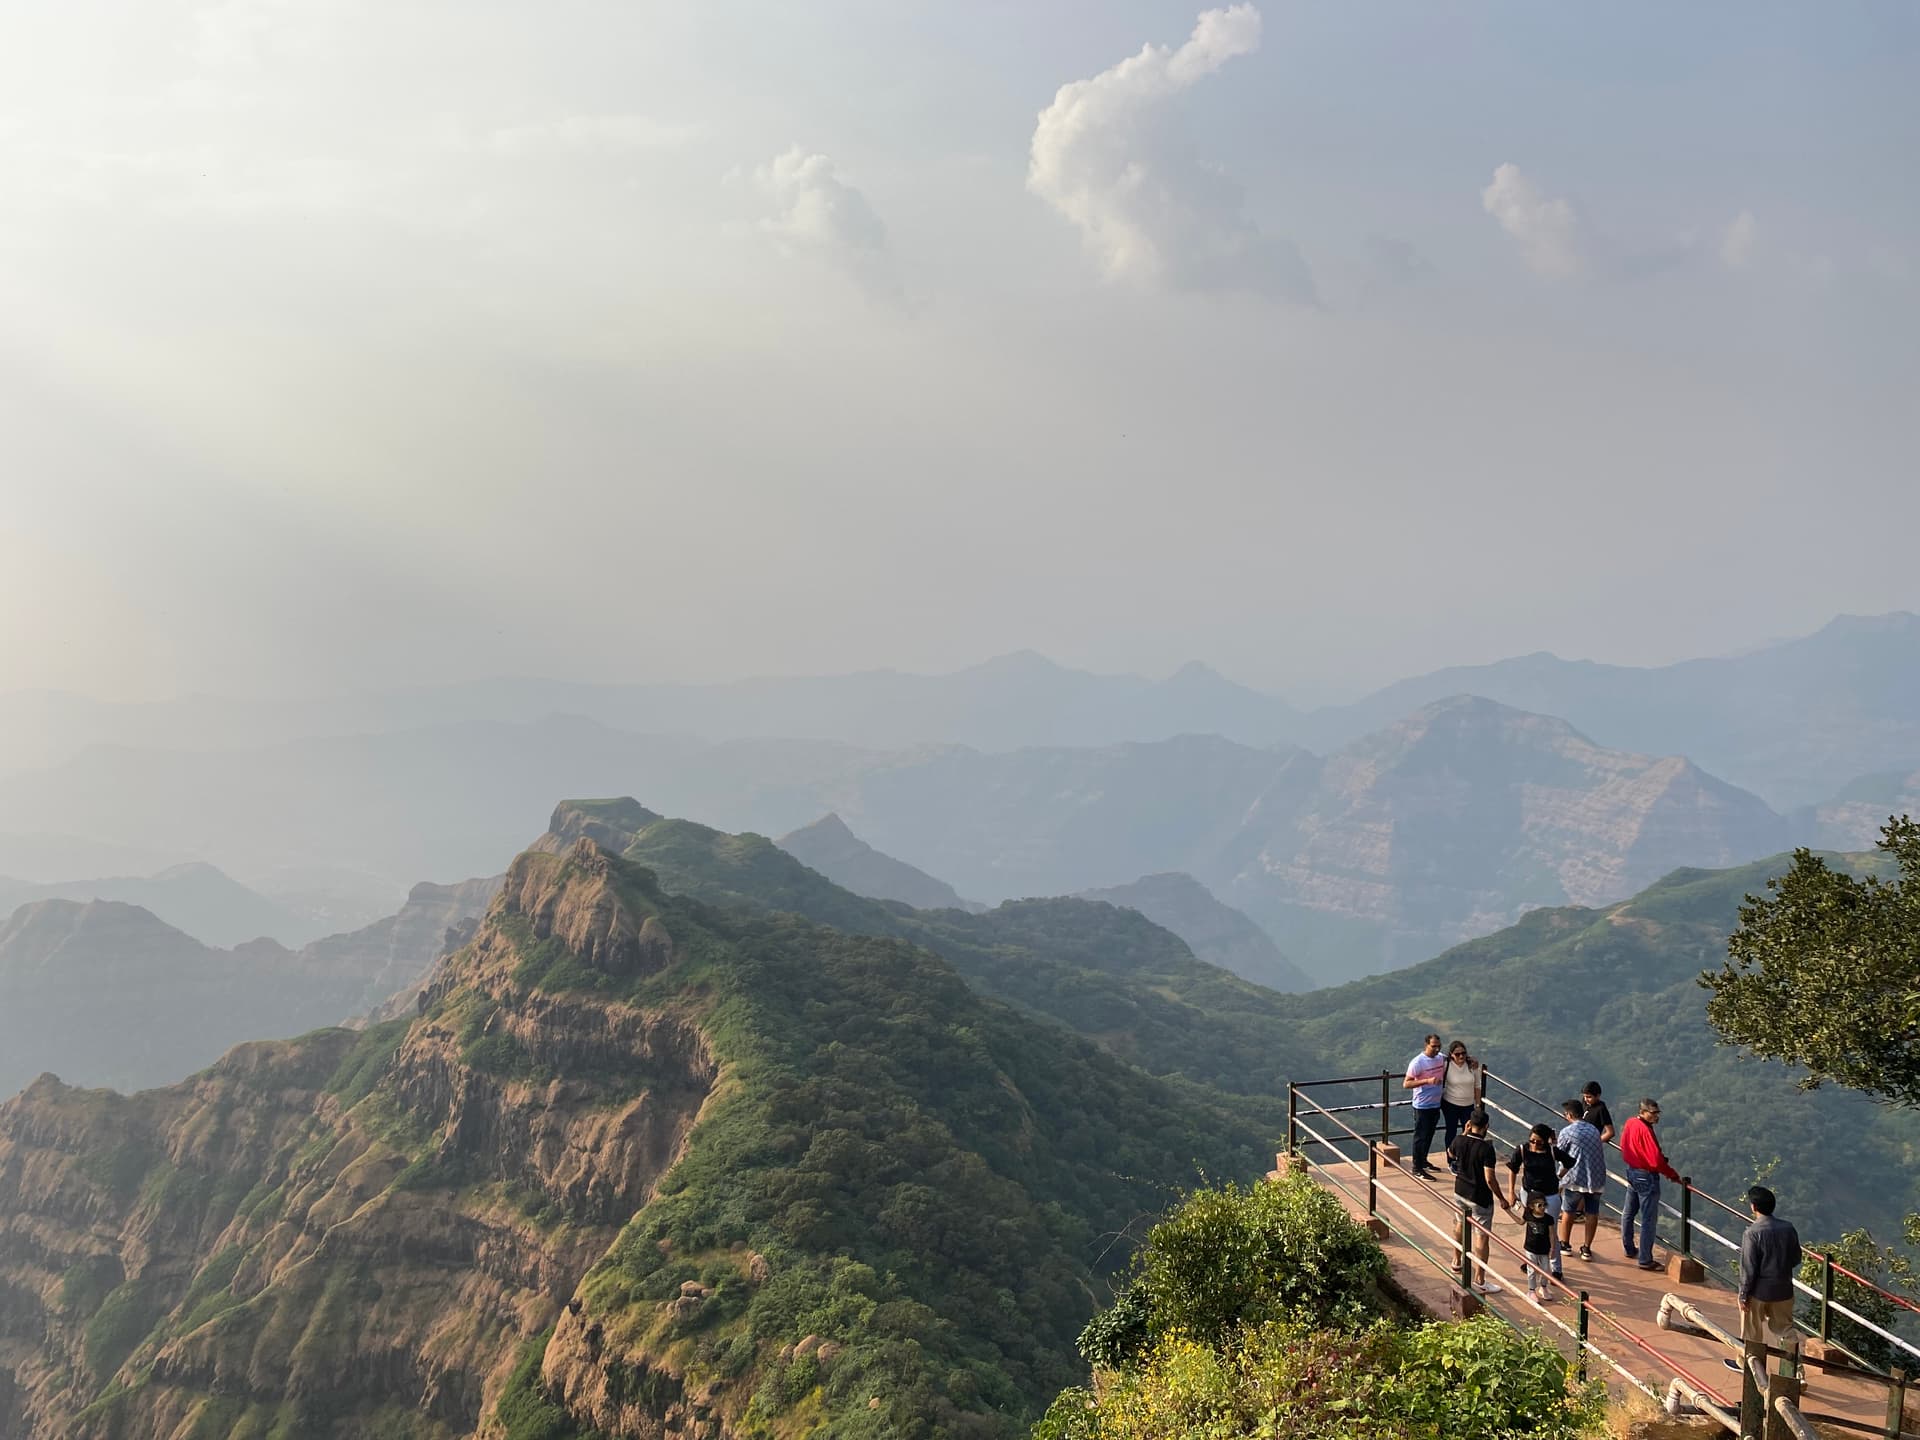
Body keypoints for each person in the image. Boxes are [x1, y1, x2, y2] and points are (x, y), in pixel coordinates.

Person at [1724, 1186, 1803, 1373]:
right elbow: (1796, 1258)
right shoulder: (1788, 1228)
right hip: (1784, 1288)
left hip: (1758, 1292)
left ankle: (1748, 1365)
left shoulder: (1752, 1233)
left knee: (1752, 1333)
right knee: (1785, 1330)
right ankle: (1796, 1370)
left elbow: (1748, 1268)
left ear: (1753, 1207)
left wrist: (1743, 1295)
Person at [1449, 1108, 1507, 1293]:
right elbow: (1489, 1178)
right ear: (1486, 1126)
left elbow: (1450, 1154)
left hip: (1460, 1191)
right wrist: (1502, 1198)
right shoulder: (1487, 1148)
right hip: (1479, 1198)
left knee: (1459, 1224)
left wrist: (1464, 1133)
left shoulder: (1459, 1140)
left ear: (1469, 1124)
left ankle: (1456, 1261)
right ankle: (1480, 1279)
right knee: (1481, 1237)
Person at [1619, 1098, 1681, 1271]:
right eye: (1653, 1113)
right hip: (1646, 1175)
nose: (1656, 1116)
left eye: (1657, 1112)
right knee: (1648, 1219)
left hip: (1632, 1171)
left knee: (1629, 1212)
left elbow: (1624, 1145)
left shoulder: (1631, 1123)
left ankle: (1629, 1248)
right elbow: (1655, 1160)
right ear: (1643, 1112)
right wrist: (1672, 1174)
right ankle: (1645, 1259)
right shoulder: (1645, 1129)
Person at [1506, 1122, 1571, 1278]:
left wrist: (1559, 1176)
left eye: (1538, 1142)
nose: (1534, 1144)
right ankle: (1531, 1261)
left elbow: (1570, 1162)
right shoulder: (1522, 1150)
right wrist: (1511, 1192)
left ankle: (1555, 1268)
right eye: (1532, 1141)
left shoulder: (1552, 1152)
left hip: (1550, 1196)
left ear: (1546, 1141)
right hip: (1529, 1194)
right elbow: (1513, 1169)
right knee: (1532, 1228)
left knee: (1551, 1230)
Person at [1556, 1099, 1607, 1262]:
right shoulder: (1594, 1129)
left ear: (1570, 1115)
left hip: (1576, 1177)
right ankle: (1587, 1248)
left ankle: (1565, 1244)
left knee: (1568, 1211)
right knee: (1592, 1212)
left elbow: (1561, 1156)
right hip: (1597, 1177)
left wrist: (1559, 1177)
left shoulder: (1567, 1132)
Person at [1403, 1034, 1447, 1179]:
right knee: (1420, 1136)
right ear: (1426, 1045)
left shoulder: (1441, 1057)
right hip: (1422, 1105)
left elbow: (1453, 1058)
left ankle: (1423, 1161)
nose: (1436, 1049)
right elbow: (1406, 1084)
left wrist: (1470, 1060)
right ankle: (1416, 1168)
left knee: (1429, 1134)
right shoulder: (1418, 1062)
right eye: (1433, 1046)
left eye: (1438, 1046)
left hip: (1436, 1103)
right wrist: (1427, 1080)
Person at [1441, 1040, 1485, 1170]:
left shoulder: (1472, 1066)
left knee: (1471, 1132)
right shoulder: (1446, 1065)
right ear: (1451, 1054)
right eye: (1457, 1054)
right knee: (1451, 1131)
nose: (1461, 1056)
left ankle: (1469, 1159)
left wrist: (1478, 1105)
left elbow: (1477, 1086)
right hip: (1450, 1104)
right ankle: (1452, 1160)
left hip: (1468, 1105)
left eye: (1463, 1053)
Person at [1522, 1191, 1558, 1304]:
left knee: (1545, 1269)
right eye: (1539, 1205)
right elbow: (1520, 1222)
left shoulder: (1548, 1219)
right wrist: (1508, 1211)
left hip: (1544, 1249)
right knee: (1531, 1270)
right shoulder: (1528, 1215)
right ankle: (1531, 1290)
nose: (1542, 1208)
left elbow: (1552, 1234)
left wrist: (1552, 1248)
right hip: (1530, 1248)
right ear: (1532, 1206)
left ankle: (1543, 1287)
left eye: (1544, 1205)